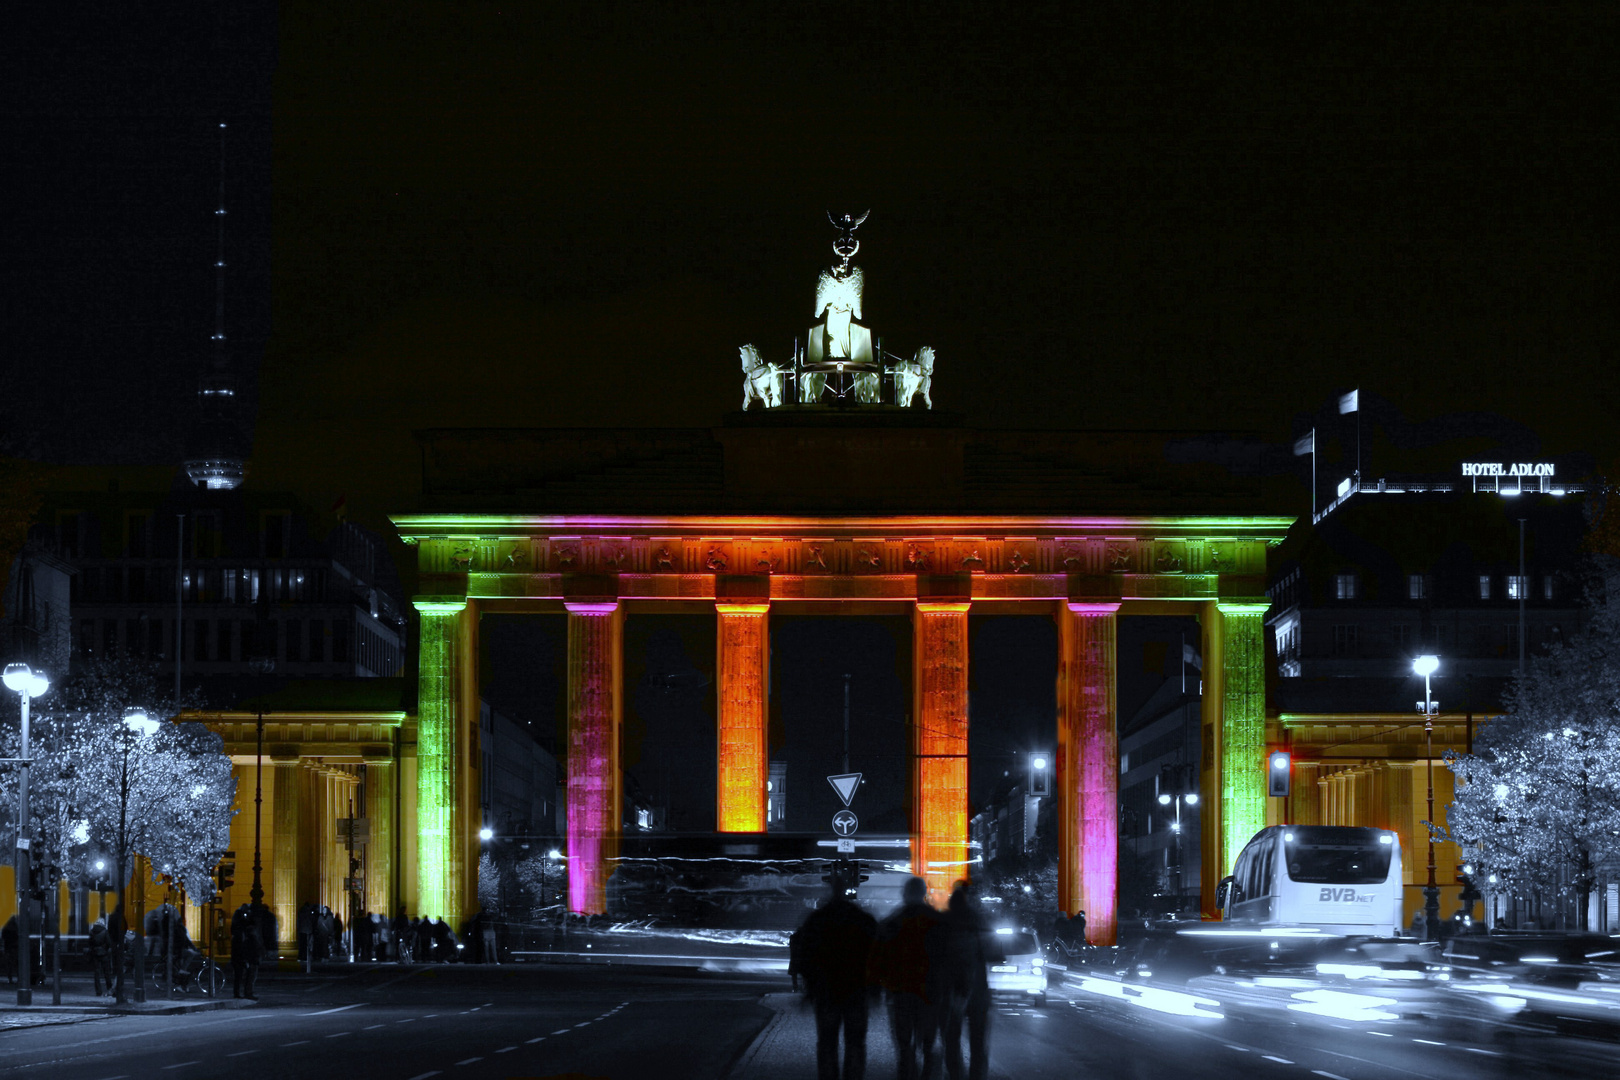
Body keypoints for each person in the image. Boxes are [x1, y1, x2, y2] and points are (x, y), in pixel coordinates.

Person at [793, 867, 878, 1080]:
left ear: (830, 889)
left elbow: (806, 956)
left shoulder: (817, 919)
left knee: (827, 1044)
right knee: (855, 1044)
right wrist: (875, 989)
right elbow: (876, 957)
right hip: (856, 992)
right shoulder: (863, 920)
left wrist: (809, 990)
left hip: (827, 992)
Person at [870, 876, 942, 1080]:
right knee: (928, 1041)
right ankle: (926, 1073)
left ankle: (906, 1072)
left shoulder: (893, 922)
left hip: (900, 991)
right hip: (929, 992)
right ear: (924, 893)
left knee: (904, 1045)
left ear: (905, 894)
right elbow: (946, 957)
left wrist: (876, 987)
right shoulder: (936, 921)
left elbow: (878, 958)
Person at [934, 884, 990, 1080]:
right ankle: (977, 1075)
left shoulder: (942, 922)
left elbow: (935, 956)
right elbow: (991, 952)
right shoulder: (979, 921)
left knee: (951, 1038)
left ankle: (956, 1073)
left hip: (949, 992)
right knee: (978, 1041)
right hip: (977, 992)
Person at [230, 902, 262, 999]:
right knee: (244, 976)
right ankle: (243, 993)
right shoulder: (243, 935)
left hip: (241, 956)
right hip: (242, 957)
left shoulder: (241, 934)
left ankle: (240, 993)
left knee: (241, 976)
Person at [89, 917, 114, 997]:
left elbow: (90, 943)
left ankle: (98, 991)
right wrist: (106, 949)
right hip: (104, 954)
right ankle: (109, 989)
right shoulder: (105, 931)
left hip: (95, 954)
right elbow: (109, 943)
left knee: (97, 973)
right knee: (107, 973)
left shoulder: (91, 932)